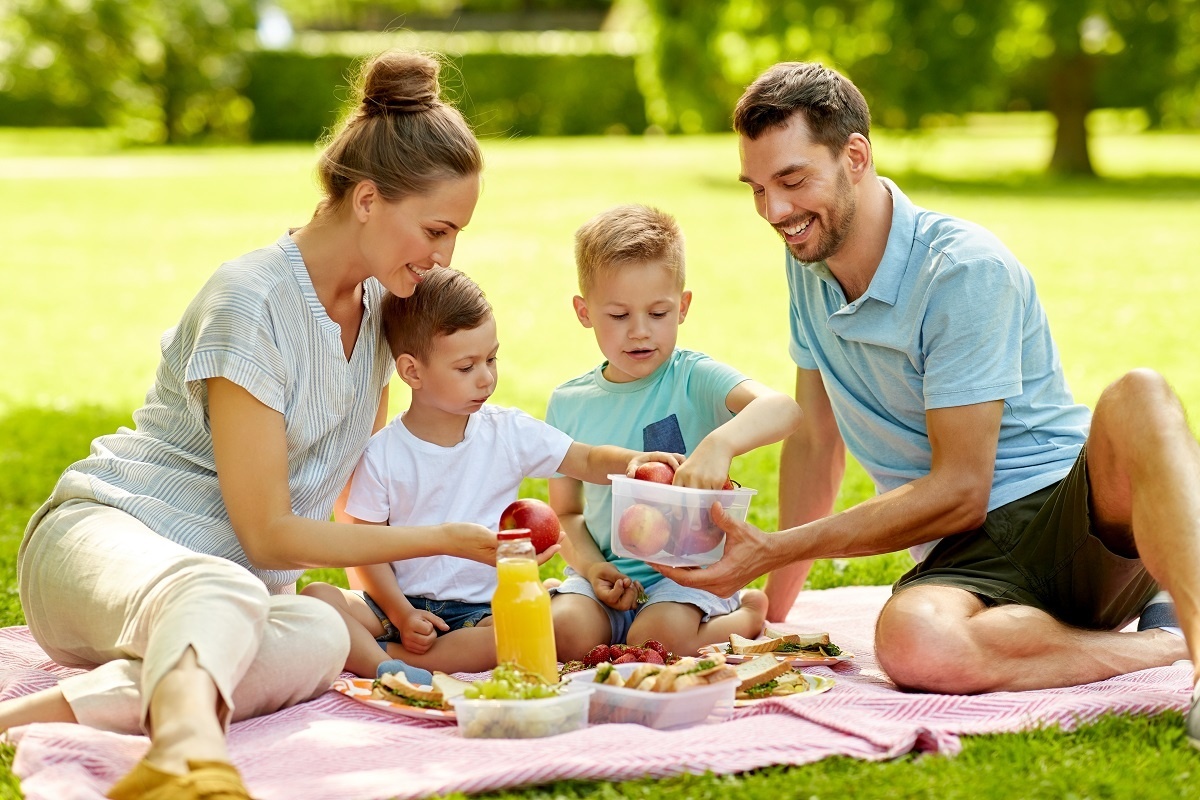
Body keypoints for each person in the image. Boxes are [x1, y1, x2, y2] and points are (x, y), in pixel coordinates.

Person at [0, 51, 500, 799]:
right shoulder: (252, 301)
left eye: (454, 235)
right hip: (102, 545)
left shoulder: (377, 322)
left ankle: (27, 718)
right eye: (435, 229)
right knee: (230, 587)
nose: (442, 257)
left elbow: (345, 501)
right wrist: (443, 540)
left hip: (222, 597)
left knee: (322, 632)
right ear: (367, 199)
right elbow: (268, 534)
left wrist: (392, 602)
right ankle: (190, 751)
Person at [657, 61, 1200, 736]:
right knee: (912, 641)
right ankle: (1163, 644)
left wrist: (772, 546)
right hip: (967, 563)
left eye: (792, 180)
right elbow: (816, 444)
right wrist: (777, 610)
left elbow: (962, 489)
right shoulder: (810, 266)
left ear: (855, 156)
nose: (774, 211)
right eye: (758, 187)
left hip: (1071, 517)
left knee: (1140, 394)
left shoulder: (962, 270)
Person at [301, 267, 681, 678]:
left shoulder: (507, 431)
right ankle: (386, 663)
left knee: (518, 636)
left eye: (491, 359)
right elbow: (367, 549)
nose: (486, 378)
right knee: (318, 597)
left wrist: (629, 462)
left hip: (480, 613)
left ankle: (389, 660)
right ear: (412, 372)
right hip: (396, 601)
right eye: (466, 367)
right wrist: (401, 612)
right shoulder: (383, 454)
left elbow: (584, 459)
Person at [547, 204, 803, 662]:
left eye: (659, 313)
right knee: (564, 635)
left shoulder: (695, 377)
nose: (640, 332)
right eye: (619, 315)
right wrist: (592, 568)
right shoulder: (568, 403)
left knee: (655, 643)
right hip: (606, 578)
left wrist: (720, 443)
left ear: (683, 307)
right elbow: (565, 513)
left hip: (686, 578)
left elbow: (783, 409)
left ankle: (744, 616)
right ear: (584, 312)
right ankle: (598, 606)